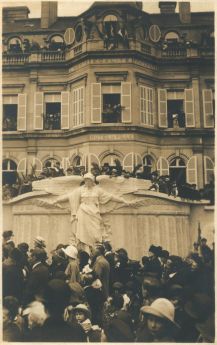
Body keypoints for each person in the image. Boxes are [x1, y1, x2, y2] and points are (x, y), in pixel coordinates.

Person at [52, 172, 132, 253]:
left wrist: (122, 200)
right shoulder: (80, 190)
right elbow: (69, 196)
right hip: (83, 211)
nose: (87, 182)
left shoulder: (98, 190)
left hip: (94, 212)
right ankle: (85, 250)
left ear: (92, 181)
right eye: (86, 180)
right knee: (82, 233)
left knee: (96, 231)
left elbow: (110, 196)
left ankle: (95, 250)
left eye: (89, 180)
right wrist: (56, 200)